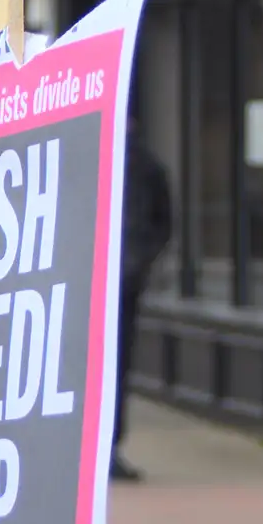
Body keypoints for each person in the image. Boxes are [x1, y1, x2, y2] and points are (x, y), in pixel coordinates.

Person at [113, 119, 174, 481]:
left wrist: (137, 261)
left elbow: (162, 222)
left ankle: (107, 446)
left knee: (113, 363)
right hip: (117, 278)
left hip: (121, 280)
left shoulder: (144, 167)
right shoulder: (143, 164)